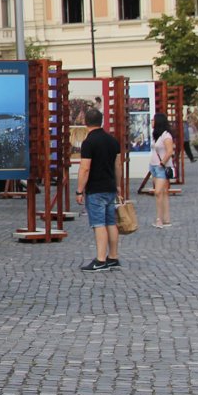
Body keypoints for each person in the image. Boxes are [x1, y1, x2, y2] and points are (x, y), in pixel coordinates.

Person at [75, 107, 124, 272]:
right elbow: (118, 165)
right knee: (111, 223)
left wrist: (79, 190)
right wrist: (118, 185)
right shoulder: (112, 141)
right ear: (101, 121)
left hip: (96, 189)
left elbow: (85, 168)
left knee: (99, 224)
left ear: (85, 122)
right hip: (110, 187)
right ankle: (113, 257)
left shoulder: (88, 142)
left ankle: (101, 260)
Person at [149, 112, 174, 229]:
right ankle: (166, 218)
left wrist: (162, 163)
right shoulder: (156, 135)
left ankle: (159, 219)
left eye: (153, 120)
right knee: (162, 192)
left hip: (161, 167)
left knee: (158, 192)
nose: (152, 122)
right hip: (153, 166)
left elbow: (170, 151)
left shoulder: (166, 136)